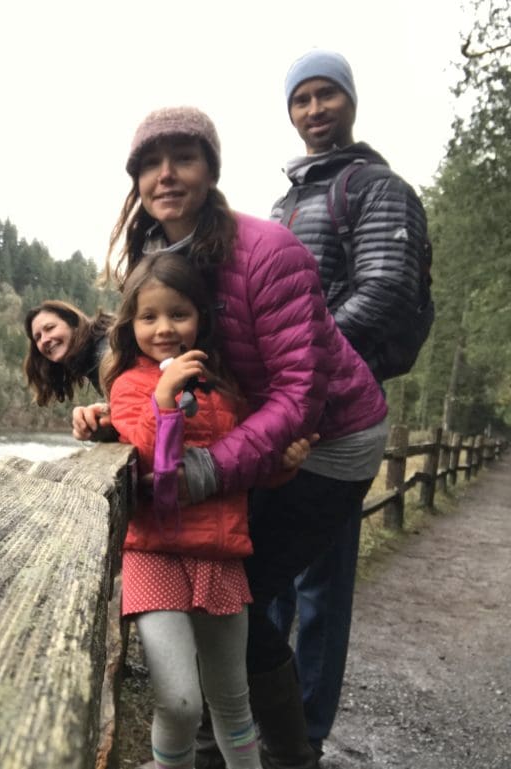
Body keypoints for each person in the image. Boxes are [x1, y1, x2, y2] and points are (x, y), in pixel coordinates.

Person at [105, 105, 388, 769]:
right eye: (151, 161)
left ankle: (288, 753)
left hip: (335, 437)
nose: (166, 173)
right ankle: (218, 743)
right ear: (136, 177)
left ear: (211, 170)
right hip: (256, 435)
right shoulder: (163, 260)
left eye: (184, 157)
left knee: (242, 584)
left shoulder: (266, 252)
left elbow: (299, 393)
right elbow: (150, 361)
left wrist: (205, 472)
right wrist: (106, 410)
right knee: (231, 578)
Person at [265, 49, 431, 762]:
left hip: (339, 411)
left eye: (325, 94)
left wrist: (303, 364)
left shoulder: (376, 186)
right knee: (266, 568)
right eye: (301, 99)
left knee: (322, 581)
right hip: (283, 406)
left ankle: (301, 734)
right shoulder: (287, 201)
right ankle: (259, 712)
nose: (313, 111)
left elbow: (387, 287)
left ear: (350, 101)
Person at [102, 250, 312, 769]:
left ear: (200, 317)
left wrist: (284, 464)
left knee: (233, 701)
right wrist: (165, 399)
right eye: (149, 317)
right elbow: (152, 461)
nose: (164, 328)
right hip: (155, 555)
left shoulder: (224, 388)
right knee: (177, 702)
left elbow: (247, 464)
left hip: (219, 557)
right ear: (132, 324)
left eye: (179, 313)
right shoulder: (130, 384)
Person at [23, 300, 113, 406]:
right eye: (38, 337)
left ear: (73, 323)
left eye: (50, 328)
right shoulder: (91, 357)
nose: (44, 340)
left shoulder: (108, 351)